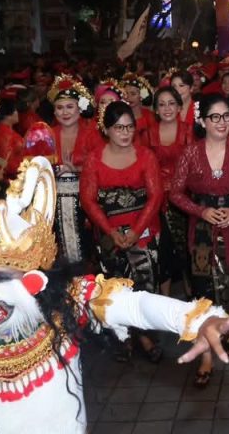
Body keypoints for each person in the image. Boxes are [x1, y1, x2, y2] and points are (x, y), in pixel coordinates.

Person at [0, 156, 229, 434]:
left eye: (1, 277)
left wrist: (196, 318)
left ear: (33, 281)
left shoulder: (66, 304)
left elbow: (135, 304)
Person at [170, 93, 229, 387]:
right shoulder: (190, 153)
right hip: (201, 230)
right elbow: (175, 192)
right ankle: (206, 356)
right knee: (202, 292)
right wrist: (202, 210)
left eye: (226, 116)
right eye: (215, 117)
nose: (222, 122)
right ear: (202, 121)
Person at [80, 101, 165, 363]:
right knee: (116, 287)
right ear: (106, 129)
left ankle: (143, 334)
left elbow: (155, 196)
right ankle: (128, 336)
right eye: (119, 128)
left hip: (143, 229)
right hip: (108, 233)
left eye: (129, 127)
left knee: (143, 286)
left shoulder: (146, 156)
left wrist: (136, 230)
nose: (125, 133)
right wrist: (111, 231)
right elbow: (88, 200)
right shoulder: (94, 158)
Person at [145, 87, 193, 297]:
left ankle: (192, 293)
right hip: (155, 199)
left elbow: (196, 165)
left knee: (187, 250)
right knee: (162, 250)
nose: (167, 108)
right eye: (162, 104)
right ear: (155, 109)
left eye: (171, 103)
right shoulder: (147, 134)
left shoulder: (190, 131)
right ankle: (163, 298)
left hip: (185, 197)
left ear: (180, 107)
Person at [48, 75, 98, 266]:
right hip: (55, 206)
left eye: (70, 107)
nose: (65, 112)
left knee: (88, 253)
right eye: (60, 108)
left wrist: (76, 169)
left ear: (79, 108)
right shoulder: (47, 134)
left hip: (87, 202)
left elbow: (103, 166)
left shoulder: (92, 132)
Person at [0, 97, 24, 180]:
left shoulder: (5, 130)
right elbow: (7, 163)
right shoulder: (4, 134)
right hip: (13, 179)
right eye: (15, 110)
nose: (17, 112)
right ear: (8, 115)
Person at [120, 73, 156, 141]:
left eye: (133, 94)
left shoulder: (149, 116)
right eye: (126, 94)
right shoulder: (119, 116)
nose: (129, 97)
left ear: (141, 96)